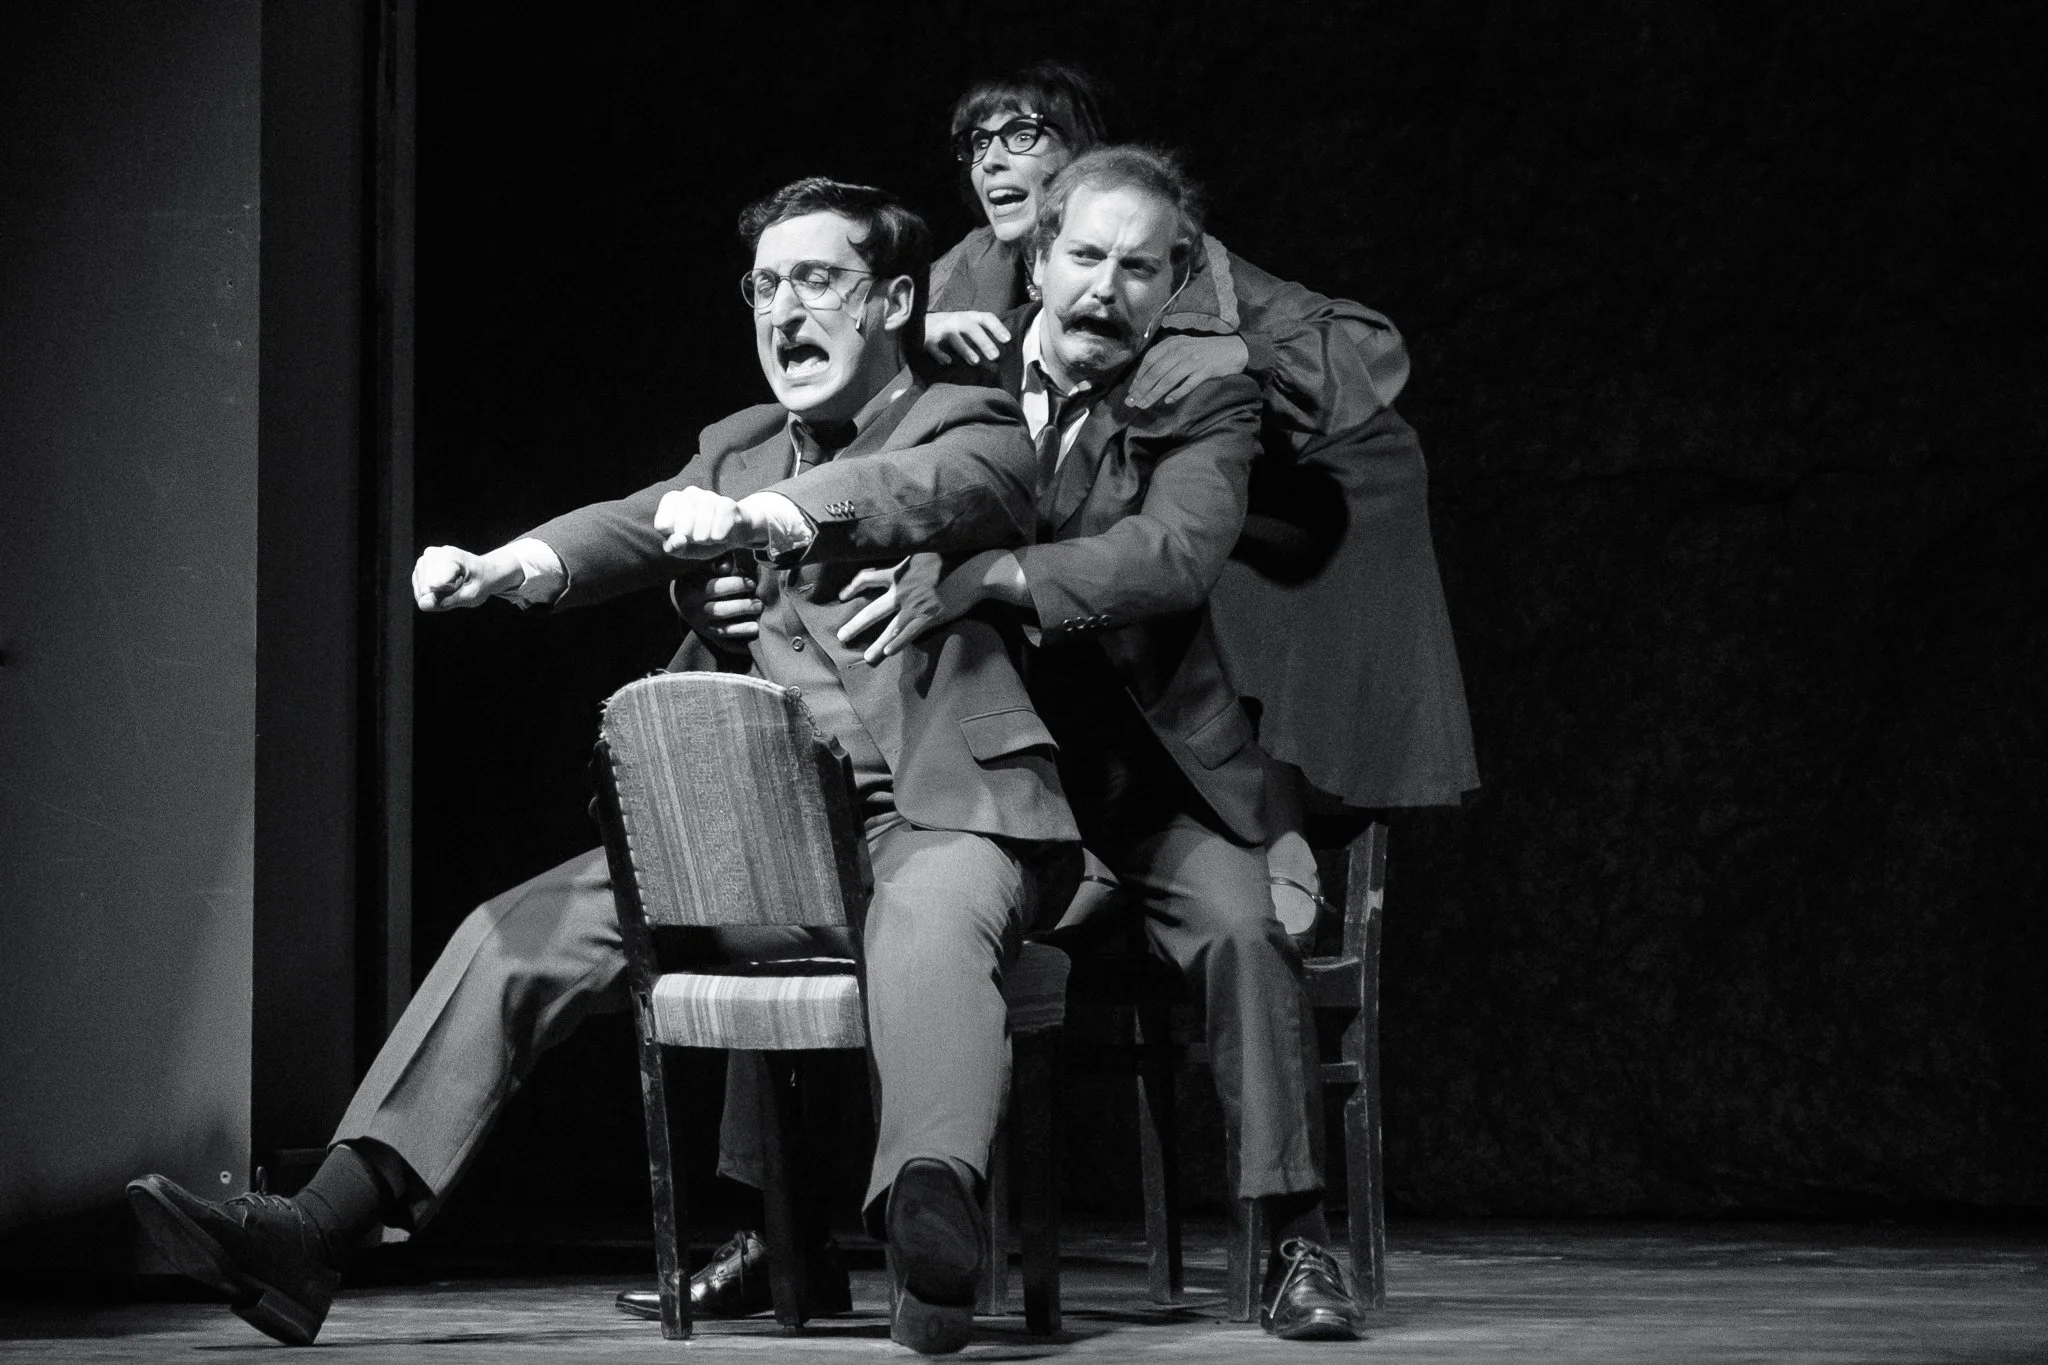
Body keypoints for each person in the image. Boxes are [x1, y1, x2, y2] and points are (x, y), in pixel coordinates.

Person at [125, 177, 1080, 1358]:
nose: (784, 311)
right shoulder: (736, 446)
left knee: (930, 927)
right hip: (758, 843)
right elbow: (633, 522)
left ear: (891, 302)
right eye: (764, 288)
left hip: (939, 817)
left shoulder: (970, 422)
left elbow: (918, 492)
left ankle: (930, 1227)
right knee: (512, 931)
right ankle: (313, 1231)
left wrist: (773, 520)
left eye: (816, 281)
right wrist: (510, 566)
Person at [838, 145, 1369, 1342]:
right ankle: (792, 1233)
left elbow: (1172, 557)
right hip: (983, 784)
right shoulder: (946, 384)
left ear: (1172, 282)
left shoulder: (1202, 399)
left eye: (1139, 268)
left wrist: (992, 576)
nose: (1104, 287)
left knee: (1240, 930)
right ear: (1037, 259)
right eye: (1084, 255)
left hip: (1146, 785)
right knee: (861, 908)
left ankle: (1293, 1241)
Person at [925, 60, 1478, 935]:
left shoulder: (1181, 254)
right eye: (976, 143)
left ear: (1085, 155)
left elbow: (1369, 346)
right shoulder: (971, 266)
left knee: (1201, 600)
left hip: (1300, 490)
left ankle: (1273, 830)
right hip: (1102, 513)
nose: (991, 159)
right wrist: (913, 331)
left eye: (1022, 134)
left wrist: (1244, 351)